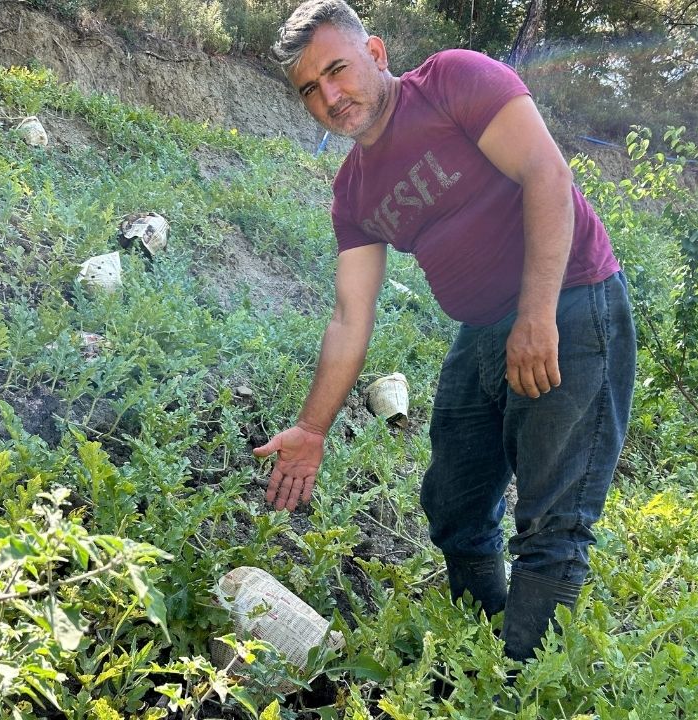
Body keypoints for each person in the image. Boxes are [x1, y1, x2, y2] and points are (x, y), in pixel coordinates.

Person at [251, 0, 637, 665]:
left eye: (337, 70)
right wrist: (312, 429)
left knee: (552, 523)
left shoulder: (455, 81)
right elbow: (350, 315)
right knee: (455, 506)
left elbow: (547, 173)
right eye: (310, 89)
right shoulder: (353, 193)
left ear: (374, 53)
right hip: (481, 331)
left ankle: (521, 692)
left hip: (571, 303)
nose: (331, 96)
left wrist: (537, 315)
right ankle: (481, 655)